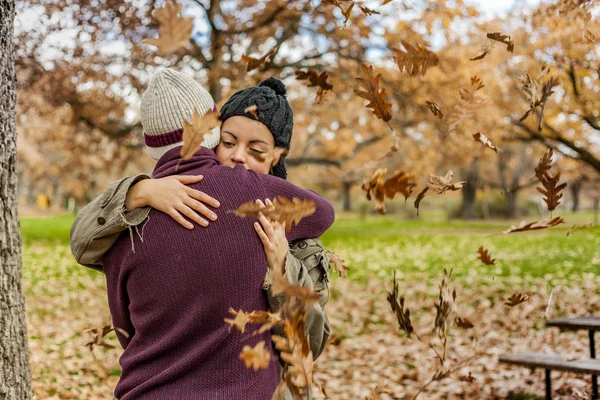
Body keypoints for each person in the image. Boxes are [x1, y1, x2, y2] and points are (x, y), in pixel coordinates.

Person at [70, 69, 334, 399]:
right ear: (211, 136)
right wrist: (137, 192)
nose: (239, 157)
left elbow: (308, 343)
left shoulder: (293, 236)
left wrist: (283, 269)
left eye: (256, 150)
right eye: (228, 142)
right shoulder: (134, 209)